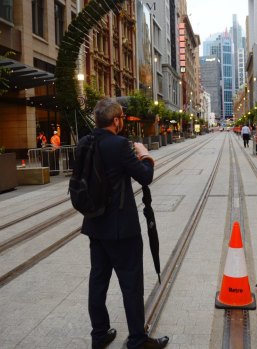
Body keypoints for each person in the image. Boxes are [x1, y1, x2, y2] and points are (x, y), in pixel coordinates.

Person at [80, 98, 169, 349]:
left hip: (95, 225)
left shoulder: (85, 142)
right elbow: (145, 177)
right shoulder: (119, 145)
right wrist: (145, 156)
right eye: (122, 118)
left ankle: (99, 335)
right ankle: (137, 340)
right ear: (116, 120)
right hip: (122, 229)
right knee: (131, 283)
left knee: (98, 280)